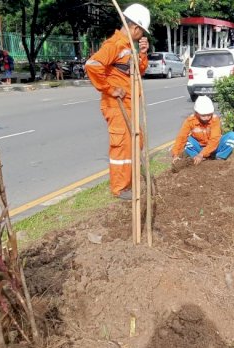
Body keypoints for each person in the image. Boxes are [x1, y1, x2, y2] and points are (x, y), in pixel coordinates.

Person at [85, 3, 151, 200]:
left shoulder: (128, 46)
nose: (142, 35)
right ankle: (120, 188)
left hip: (130, 106)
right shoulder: (114, 45)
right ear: (135, 28)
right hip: (117, 106)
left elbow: (137, 72)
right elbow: (92, 65)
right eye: (142, 32)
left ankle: (130, 182)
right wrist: (111, 89)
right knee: (121, 147)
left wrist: (143, 54)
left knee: (135, 144)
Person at [171, 96, 234, 166]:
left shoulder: (215, 119)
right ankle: (196, 159)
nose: (206, 118)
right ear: (196, 113)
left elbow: (214, 140)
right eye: (203, 115)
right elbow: (181, 137)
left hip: (215, 147)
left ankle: (219, 157)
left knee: (232, 136)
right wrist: (175, 155)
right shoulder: (190, 121)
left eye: (209, 115)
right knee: (187, 140)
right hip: (199, 147)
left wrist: (202, 154)